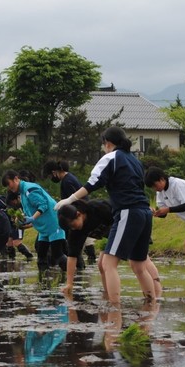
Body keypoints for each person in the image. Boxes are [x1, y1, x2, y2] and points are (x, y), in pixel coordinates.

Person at [54, 126, 161, 306]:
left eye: (104, 145)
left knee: (108, 264)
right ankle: (152, 306)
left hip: (128, 211)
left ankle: (114, 307)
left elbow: (92, 183)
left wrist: (70, 198)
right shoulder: (135, 160)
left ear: (108, 143)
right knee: (138, 265)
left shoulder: (111, 157)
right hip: (144, 211)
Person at [2, 170, 68, 274]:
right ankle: (44, 282)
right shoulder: (22, 193)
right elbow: (29, 210)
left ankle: (72, 276)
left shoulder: (29, 189)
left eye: (8, 184)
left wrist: (32, 218)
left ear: (16, 179)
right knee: (41, 256)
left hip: (53, 224)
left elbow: (43, 205)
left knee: (58, 254)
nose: (9, 187)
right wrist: (22, 220)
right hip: (44, 229)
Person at [45, 160, 96, 265]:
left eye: (50, 176)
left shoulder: (67, 182)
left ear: (54, 172)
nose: (51, 179)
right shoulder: (70, 178)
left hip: (78, 214)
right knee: (83, 242)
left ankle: (80, 269)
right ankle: (85, 267)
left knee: (75, 245)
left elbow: (73, 201)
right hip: (82, 213)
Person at [0, 191, 34, 261]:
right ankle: (12, 261)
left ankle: (30, 257)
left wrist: (18, 219)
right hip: (8, 223)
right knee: (9, 243)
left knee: (17, 243)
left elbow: (12, 208)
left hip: (16, 221)